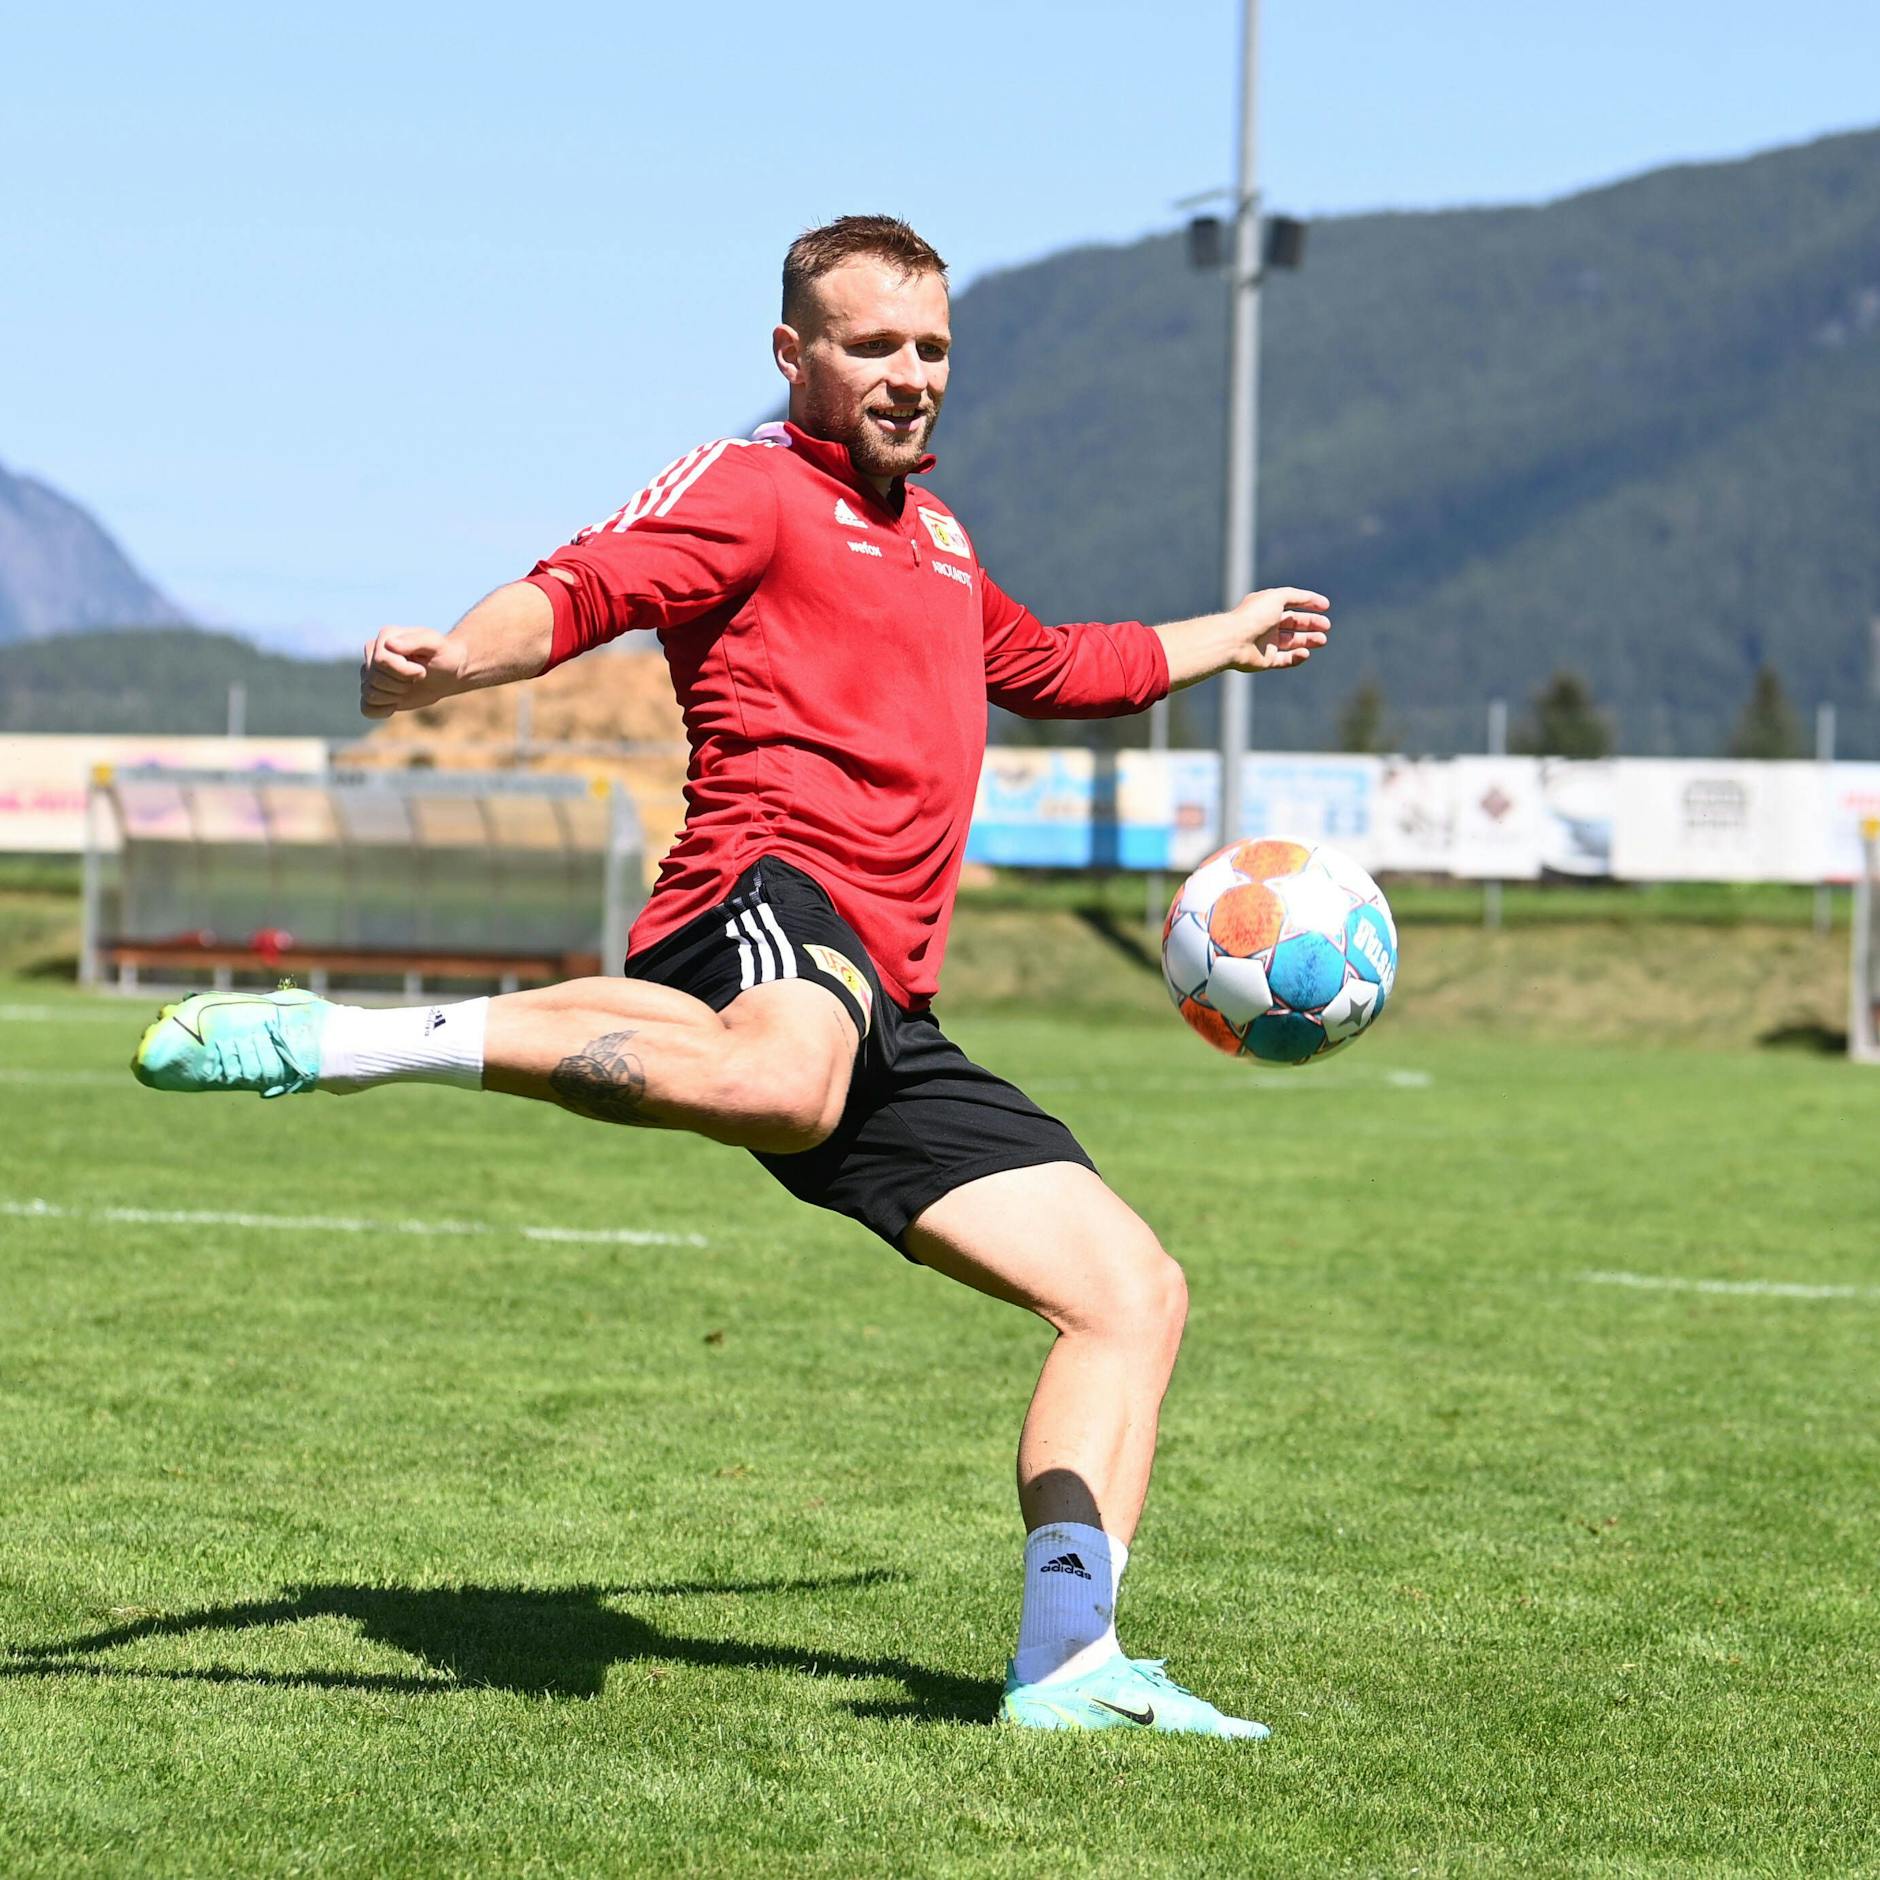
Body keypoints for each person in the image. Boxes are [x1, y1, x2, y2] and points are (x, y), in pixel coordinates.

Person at [132, 215, 1331, 1738]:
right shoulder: (752, 485)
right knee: (783, 1068)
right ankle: (348, 1043)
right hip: (759, 905)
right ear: (795, 355)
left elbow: (1053, 665)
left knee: (1130, 1293)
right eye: (874, 346)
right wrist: (455, 662)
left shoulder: (943, 544)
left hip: (885, 1004)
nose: (910, 377)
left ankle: (1071, 1665)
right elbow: (585, 586)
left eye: (933, 348)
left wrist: (1222, 636)